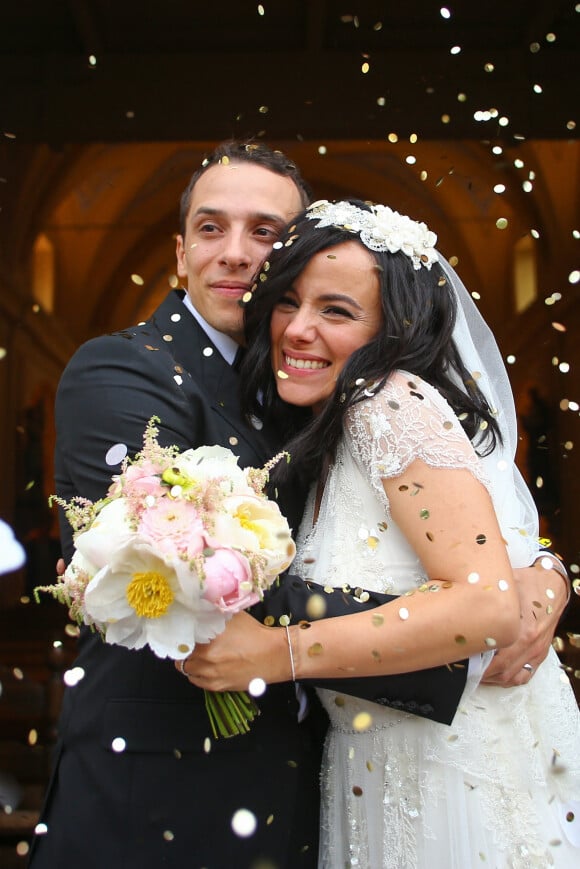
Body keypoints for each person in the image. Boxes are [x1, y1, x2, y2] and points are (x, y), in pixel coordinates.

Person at [30, 142, 492, 869]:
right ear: (180, 254)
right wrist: (455, 629)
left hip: (313, 789)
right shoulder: (123, 368)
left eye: (266, 233)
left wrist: (533, 573)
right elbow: (184, 572)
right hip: (158, 796)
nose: (236, 253)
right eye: (211, 229)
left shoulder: (322, 382)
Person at [182, 199, 580, 866]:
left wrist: (278, 652)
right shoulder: (332, 430)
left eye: (336, 311)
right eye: (288, 301)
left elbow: (484, 603)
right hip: (377, 769)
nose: (298, 329)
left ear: (389, 330)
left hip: (453, 780)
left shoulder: (388, 402)